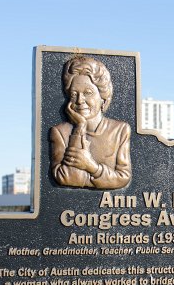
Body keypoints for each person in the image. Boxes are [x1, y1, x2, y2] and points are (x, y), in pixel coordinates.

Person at [50, 56, 132, 189]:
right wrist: (79, 127)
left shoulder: (120, 130)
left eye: (88, 93)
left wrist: (91, 166)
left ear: (103, 97)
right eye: (74, 94)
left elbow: (122, 178)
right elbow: (66, 178)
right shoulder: (59, 132)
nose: (80, 100)